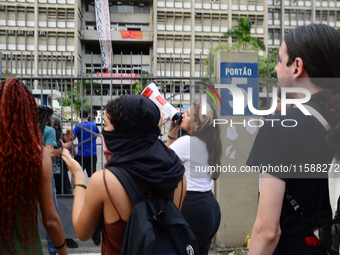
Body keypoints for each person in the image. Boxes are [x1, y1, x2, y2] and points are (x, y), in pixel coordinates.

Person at [247, 24, 340, 255]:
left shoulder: (280, 128)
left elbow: (267, 233)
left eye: (280, 60)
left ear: (297, 66)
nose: (276, 69)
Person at [62, 95, 186, 255]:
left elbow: (82, 232)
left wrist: (79, 176)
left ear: (124, 130)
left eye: (106, 125)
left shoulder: (104, 180)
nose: (104, 131)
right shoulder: (178, 174)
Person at [0, 78, 67, 255]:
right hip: (26, 248)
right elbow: (51, 220)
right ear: (27, 112)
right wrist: (63, 252)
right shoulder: (38, 155)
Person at [164, 102, 222, 255]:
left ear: (198, 125)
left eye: (188, 115)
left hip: (192, 208)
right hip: (209, 207)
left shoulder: (187, 142)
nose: (183, 115)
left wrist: (158, 130)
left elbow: (163, 163)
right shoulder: (210, 144)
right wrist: (173, 133)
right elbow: (172, 159)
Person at [38, 106, 75, 254]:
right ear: (48, 118)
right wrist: (63, 148)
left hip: (29, 175)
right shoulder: (49, 131)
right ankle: (54, 250)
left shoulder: (28, 130)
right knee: (52, 214)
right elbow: (49, 153)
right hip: (47, 176)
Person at [72, 110, 100, 178]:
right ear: (88, 116)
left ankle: (72, 188)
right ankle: (93, 188)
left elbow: (72, 138)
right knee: (92, 176)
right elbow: (96, 136)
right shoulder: (93, 124)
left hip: (81, 155)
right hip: (92, 154)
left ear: (79, 117)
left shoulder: (78, 126)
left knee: (76, 175)